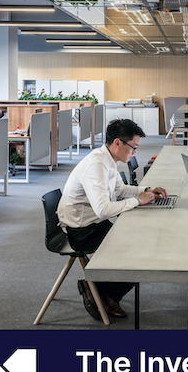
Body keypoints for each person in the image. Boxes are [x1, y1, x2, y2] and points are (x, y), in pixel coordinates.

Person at [57, 118, 168, 322]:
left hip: (93, 223)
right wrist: (137, 201)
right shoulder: (96, 166)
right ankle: (99, 291)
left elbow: (119, 189)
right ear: (117, 143)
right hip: (81, 230)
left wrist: (146, 190)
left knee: (144, 243)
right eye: (133, 148)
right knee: (140, 252)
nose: (135, 152)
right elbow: (103, 210)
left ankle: (100, 290)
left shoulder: (108, 160)